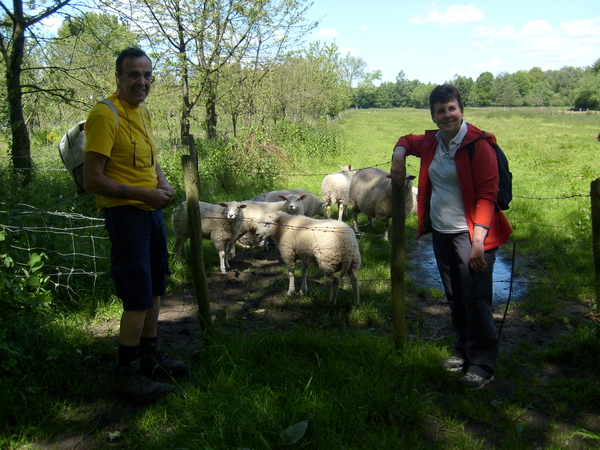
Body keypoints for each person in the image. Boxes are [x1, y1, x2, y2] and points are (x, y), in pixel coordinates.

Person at [390, 84, 512, 390]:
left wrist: (478, 243)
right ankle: (462, 351)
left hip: (472, 234)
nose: (447, 115)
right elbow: (406, 140)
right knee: (456, 298)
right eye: (440, 110)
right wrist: (398, 157)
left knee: (476, 299)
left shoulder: (476, 145)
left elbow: (487, 195)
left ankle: (482, 365)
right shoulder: (433, 142)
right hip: (443, 232)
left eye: (452, 108)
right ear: (432, 115)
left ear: (461, 110)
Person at [84, 47, 187, 402]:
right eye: (133, 75)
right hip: (126, 215)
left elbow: (149, 159)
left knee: (156, 285)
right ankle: (126, 373)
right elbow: (92, 179)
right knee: (137, 293)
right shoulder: (104, 114)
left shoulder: (142, 113)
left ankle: (149, 356)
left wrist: (161, 183)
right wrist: (143, 196)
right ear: (118, 77)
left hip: (150, 212)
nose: (141, 82)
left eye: (147, 75)